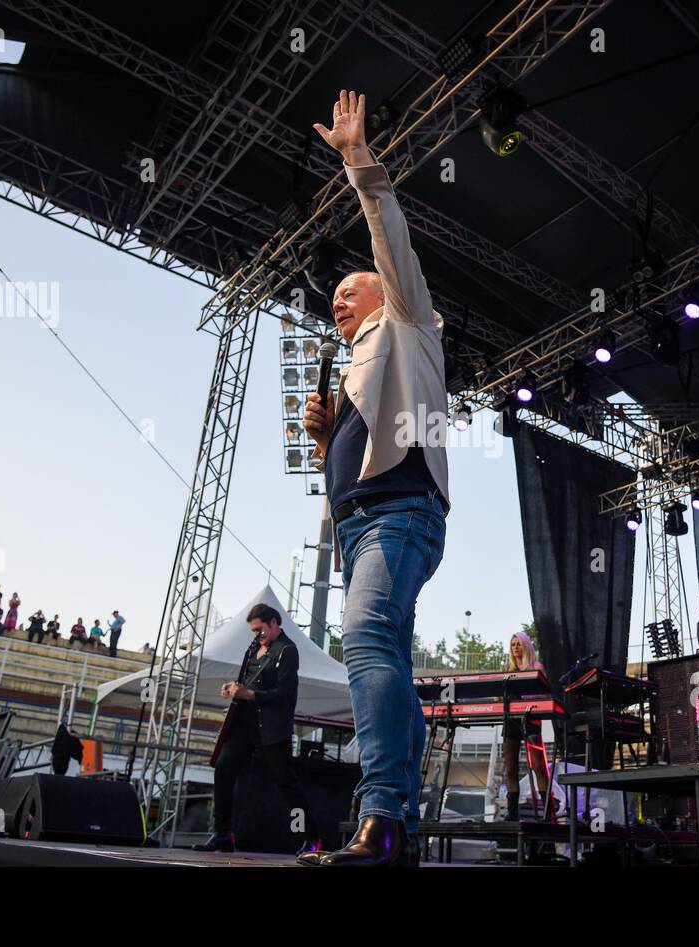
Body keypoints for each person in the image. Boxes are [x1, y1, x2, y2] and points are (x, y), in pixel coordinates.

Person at [299, 91, 449, 867]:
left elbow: (391, 239)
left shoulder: (409, 321)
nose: (336, 304)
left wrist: (359, 161)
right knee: (379, 644)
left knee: (364, 636)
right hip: (362, 524)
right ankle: (403, 833)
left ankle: (383, 817)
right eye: (332, 302)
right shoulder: (356, 365)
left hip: (402, 512)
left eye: (345, 293)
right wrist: (329, 441)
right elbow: (348, 474)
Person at [195, 603, 320, 856]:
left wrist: (250, 694)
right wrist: (234, 688)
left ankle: (311, 837)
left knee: (285, 782)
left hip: (272, 728)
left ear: (274, 623)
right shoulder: (253, 648)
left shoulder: (287, 651)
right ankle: (223, 833)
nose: (257, 635)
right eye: (254, 631)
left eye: (260, 629)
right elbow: (246, 681)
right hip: (244, 724)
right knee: (224, 769)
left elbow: (285, 695)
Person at [500, 632, 551, 821]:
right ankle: (513, 813)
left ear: (526, 646)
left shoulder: (536, 667)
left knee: (538, 766)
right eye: (513, 644)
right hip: (511, 721)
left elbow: (544, 694)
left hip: (531, 719)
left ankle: (547, 812)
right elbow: (500, 696)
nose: (515, 647)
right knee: (511, 768)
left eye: (519, 644)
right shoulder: (507, 669)